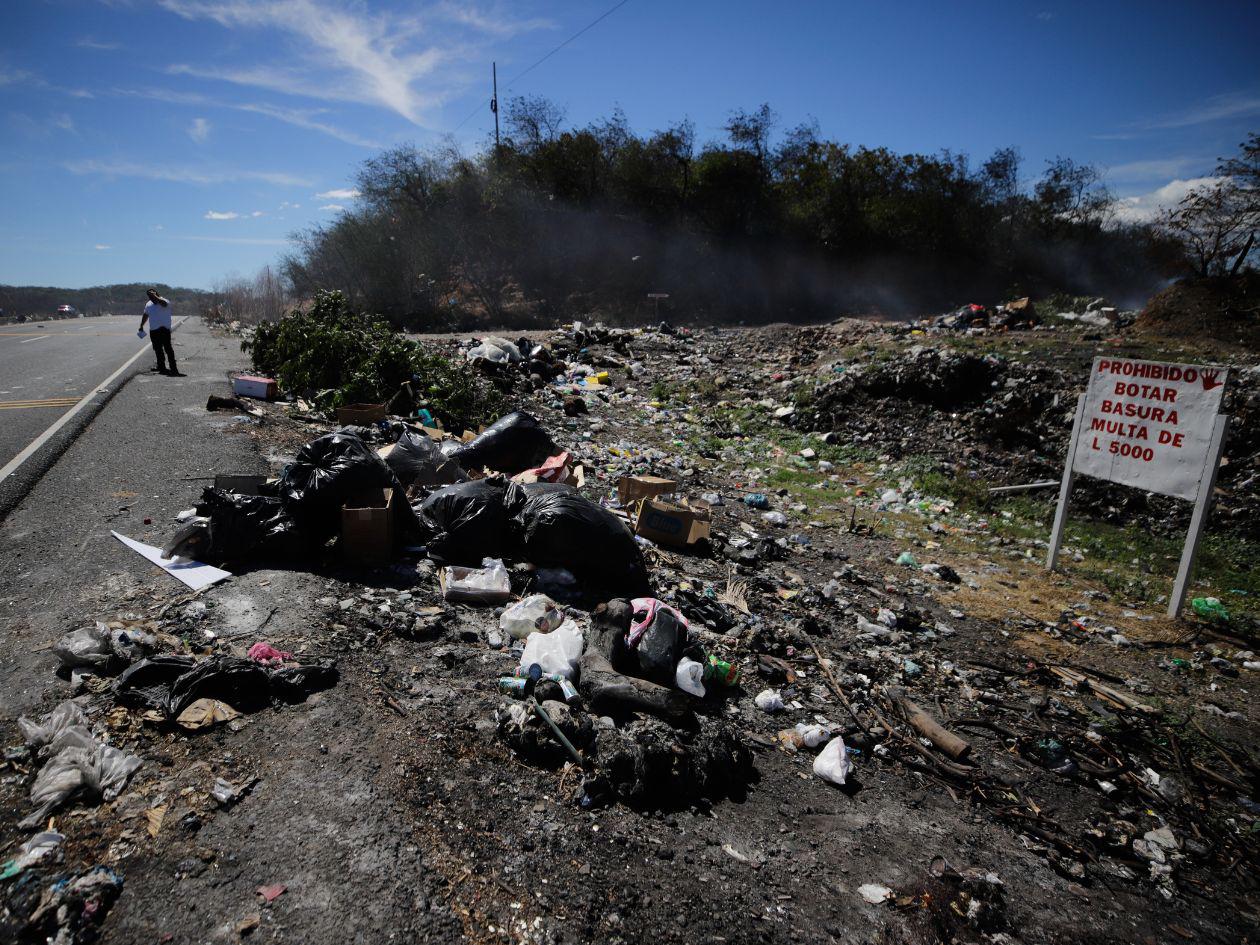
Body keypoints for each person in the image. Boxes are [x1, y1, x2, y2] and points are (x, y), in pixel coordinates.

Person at [139, 289, 180, 375]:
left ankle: (173, 368)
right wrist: (141, 325)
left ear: (156, 293)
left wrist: (155, 296)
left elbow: (164, 304)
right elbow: (146, 315)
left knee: (168, 349)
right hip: (154, 330)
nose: (151, 297)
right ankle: (161, 367)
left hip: (164, 329)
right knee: (157, 349)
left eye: (152, 294)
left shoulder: (164, 301)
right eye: (149, 295)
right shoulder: (148, 304)